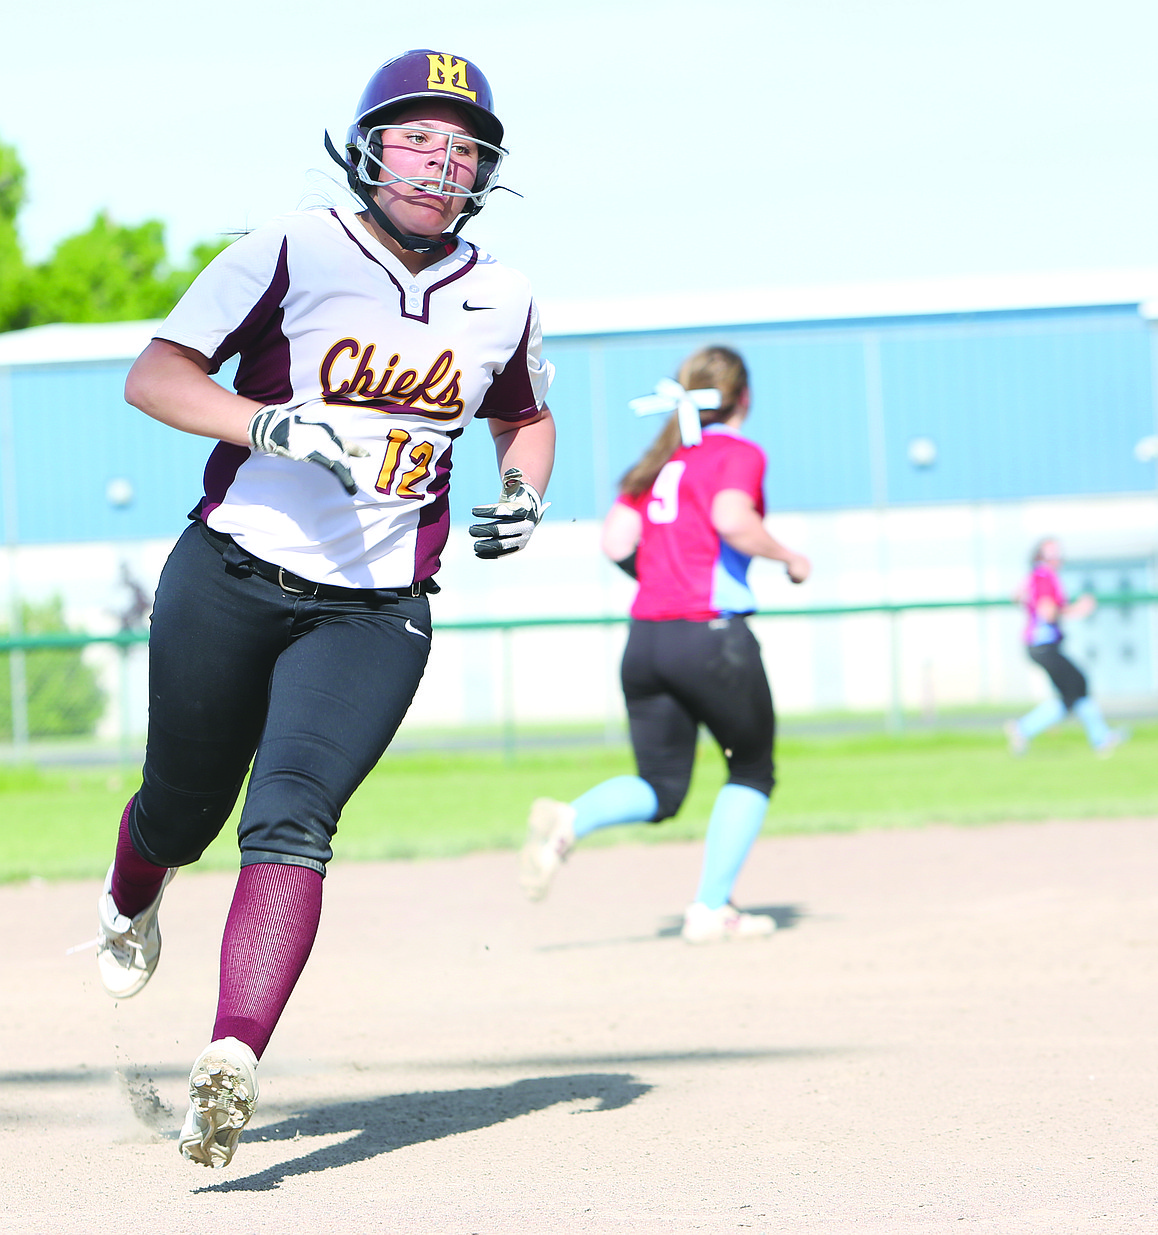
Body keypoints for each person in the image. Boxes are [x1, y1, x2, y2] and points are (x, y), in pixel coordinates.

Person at [92, 49, 554, 1169]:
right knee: (183, 807)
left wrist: (525, 496)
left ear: (485, 169)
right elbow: (153, 376)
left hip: (377, 605)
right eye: (415, 138)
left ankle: (230, 1059)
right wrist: (267, 424)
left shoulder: (504, 291)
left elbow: (523, 418)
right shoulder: (290, 246)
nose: (437, 162)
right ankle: (130, 895)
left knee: (293, 816)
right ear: (367, 145)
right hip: (235, 568)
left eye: (462, 147)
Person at [519, 345, 809, 943]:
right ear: (743, 396)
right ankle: (709, 909)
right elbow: (732, 519)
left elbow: (615, 543)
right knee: (752, 770)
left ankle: (570, 820)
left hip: (647, 639)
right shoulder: (736, 453)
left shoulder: (660, 460)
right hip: (711, 636)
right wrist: (789, 556)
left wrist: (661, 582)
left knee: (661, 786)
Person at [1004, 538, 1125, 756]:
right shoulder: (1044, 577)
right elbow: (1047, 611)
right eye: (1052, 555)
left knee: (1073, 691)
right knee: (1076, 686)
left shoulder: (1036, 576)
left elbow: (1016, 596)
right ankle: (1025, 728)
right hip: (1043, 646)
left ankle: (1099, 737)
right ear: (1040, 557)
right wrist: (1078, 609)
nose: (1058, 559)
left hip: (1041, 646)